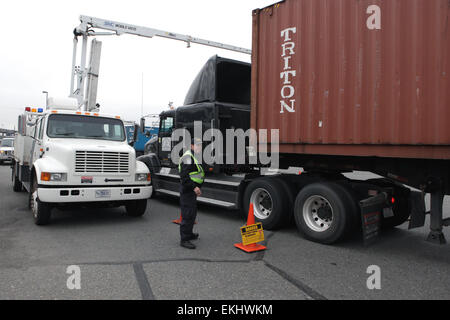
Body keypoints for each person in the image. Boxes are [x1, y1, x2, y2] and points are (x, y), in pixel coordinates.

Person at [178, 138, 204, 249]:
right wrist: (194, 187)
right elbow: (184, 177)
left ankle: (189, 234)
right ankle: (184, 240)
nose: (200, 147)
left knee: (192, 213)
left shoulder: (193, 156)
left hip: (191, 190)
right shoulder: (188, 157)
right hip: (188, 190)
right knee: (187, 214)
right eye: (198, 145)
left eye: (201, 145)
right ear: (192, 146)